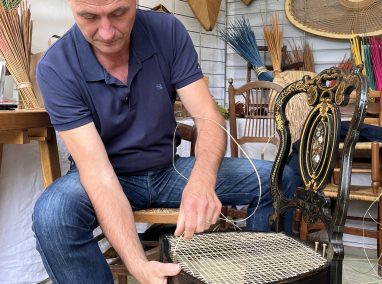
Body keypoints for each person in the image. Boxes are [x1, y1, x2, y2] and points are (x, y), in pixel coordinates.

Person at [32, 0, 295, 283]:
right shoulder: (57, 67)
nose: (107, 33)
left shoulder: (166, 31)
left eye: (118, 13)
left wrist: (202, 180)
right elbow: (97, 173)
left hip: (168, 170)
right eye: (89, 17)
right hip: (106, 175)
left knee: (279, 178)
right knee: (53, 214)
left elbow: (208, 116)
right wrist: (139, 265)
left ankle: (264, 277)